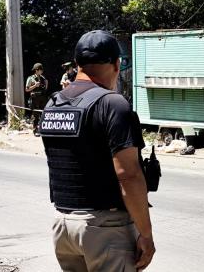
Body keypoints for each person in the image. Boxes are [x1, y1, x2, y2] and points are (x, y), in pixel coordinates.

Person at [38, 30, 155, 271]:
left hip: (63, 225)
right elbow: (128, 175)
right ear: (116, 63)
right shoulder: (113, 104)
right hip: (105, 228)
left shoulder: (53, 104)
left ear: (77, 63)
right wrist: (146, 234)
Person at [25, 63, 48, 131]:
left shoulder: (43, 78)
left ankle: (42, 129)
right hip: (34, 98)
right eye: (41, 70)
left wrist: (46, 84)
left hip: (42, 98)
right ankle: (35, 129)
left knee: (43, 114)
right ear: (36, 70)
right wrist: (35, 85)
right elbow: (27, 89)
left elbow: (45, 89)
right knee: (36, 115)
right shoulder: (31, 78)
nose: (42, 71)